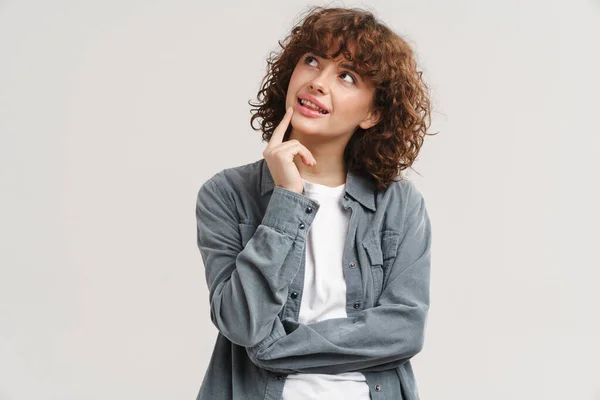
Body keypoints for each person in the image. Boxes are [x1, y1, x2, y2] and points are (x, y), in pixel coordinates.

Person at [195, 5, 436, 400]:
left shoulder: (399, 204)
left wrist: (274, 349)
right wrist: (287, 199)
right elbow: (242, 324)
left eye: (346, 76)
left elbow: (404, 329)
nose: (318, 82)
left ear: (373, 114)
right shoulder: (227, 194)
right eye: (311, 61)